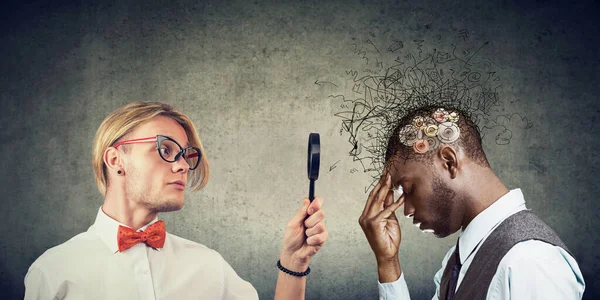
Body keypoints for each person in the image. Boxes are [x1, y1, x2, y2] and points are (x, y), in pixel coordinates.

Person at [24, 101, 328, 300]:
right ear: (116, 159)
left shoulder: (209, 267)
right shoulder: (53, 273)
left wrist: (293, 261)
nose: (182, 165)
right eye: (166, 150)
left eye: (185, 155)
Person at [359, 105, 585, 299]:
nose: (406, 210)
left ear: (449, 161)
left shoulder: (531, 261)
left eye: (409, 189)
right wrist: (388, 262)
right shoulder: (456, 262)